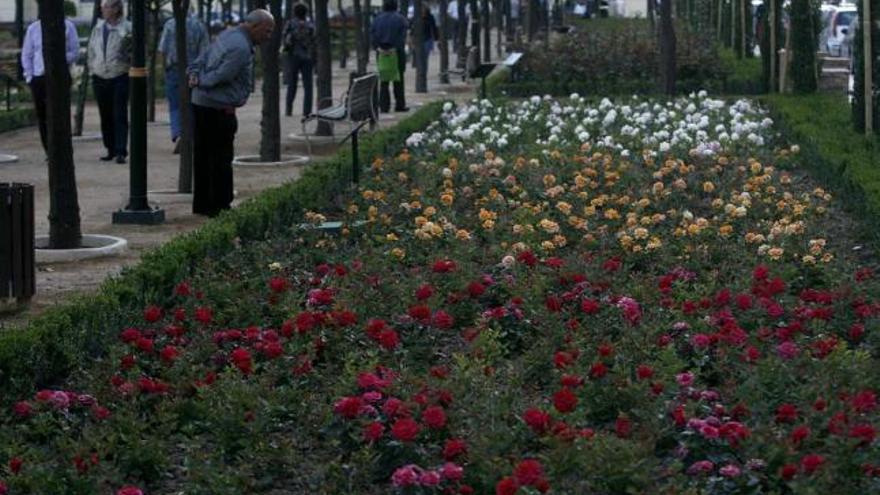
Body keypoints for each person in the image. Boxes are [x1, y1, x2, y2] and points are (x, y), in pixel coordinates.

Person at [187, 9, 275, 217]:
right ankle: (219, 207)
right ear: (254, 27)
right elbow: (223, 75)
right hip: (217, 108)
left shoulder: (228, 35)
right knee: (220, 158)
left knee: (203, 156)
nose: (268, 36)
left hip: (203, 105)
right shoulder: (241, 47)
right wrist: (201, 82)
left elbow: (203, 57)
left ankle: (202, 205)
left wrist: (194, 75)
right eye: (267, 31)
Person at [20, 11, 80, 154]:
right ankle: (49, 150)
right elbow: (27, 54)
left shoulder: (68, 26)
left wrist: (58, 59)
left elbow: (75, 52)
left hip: (60, 77)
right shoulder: (33, 28)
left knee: (62, 113)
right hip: (39, 77)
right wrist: (29, 76)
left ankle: (63, 148)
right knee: (43, 116)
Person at [158, 8, 209, 153]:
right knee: (193, 105)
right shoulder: (199, 25)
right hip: (194, 70)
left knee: (175, 105)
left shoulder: (170, 24)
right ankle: (191, 136)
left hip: (174, 69)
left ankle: (178, 133)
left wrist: (163, 70)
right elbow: (205, 51)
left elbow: (162, 49)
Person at [87, 0, 131, 164]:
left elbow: (133, 51)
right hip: (99, 76)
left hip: (119, 75)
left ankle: (121, 150)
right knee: (105, 114)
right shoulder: (98, 28)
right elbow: (91, 51)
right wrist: (93, 68)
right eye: (103, 7)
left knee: (119, 114)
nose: (103, 10)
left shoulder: (126, 28)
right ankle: (110, 149)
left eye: (107, 6)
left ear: (116, 9)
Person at [371, 0, 409, 113]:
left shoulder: (377, 19)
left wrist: (378, 48)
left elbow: (372, 34)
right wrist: (394, 48)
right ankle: (400, 104)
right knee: (399, 79)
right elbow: (402, 36)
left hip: (381, 52)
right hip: (396, 52)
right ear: (396, 6)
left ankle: (384, 106)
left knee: (384, 80)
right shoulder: (401, 19)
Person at [282, 3, 315, 117]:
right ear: (305, 12)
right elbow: (314, 39)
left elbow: (284, 39)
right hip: (307, 57)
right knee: (308, 86)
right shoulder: (310, 25)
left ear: (294, 12)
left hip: (293, 56)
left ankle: (288, 109)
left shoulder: (290, 24)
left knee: (292, 84)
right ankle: (307, 111)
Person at [420, 4, 439, 75]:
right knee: (420, 57)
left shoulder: (430, 17)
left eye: (423, 8)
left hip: (427, 39)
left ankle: (424, 71)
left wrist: (436, 39)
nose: (422, 10)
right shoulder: (416, 17)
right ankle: (421, 71)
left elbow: (434, 28)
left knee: (425, 56)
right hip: (419, 39)